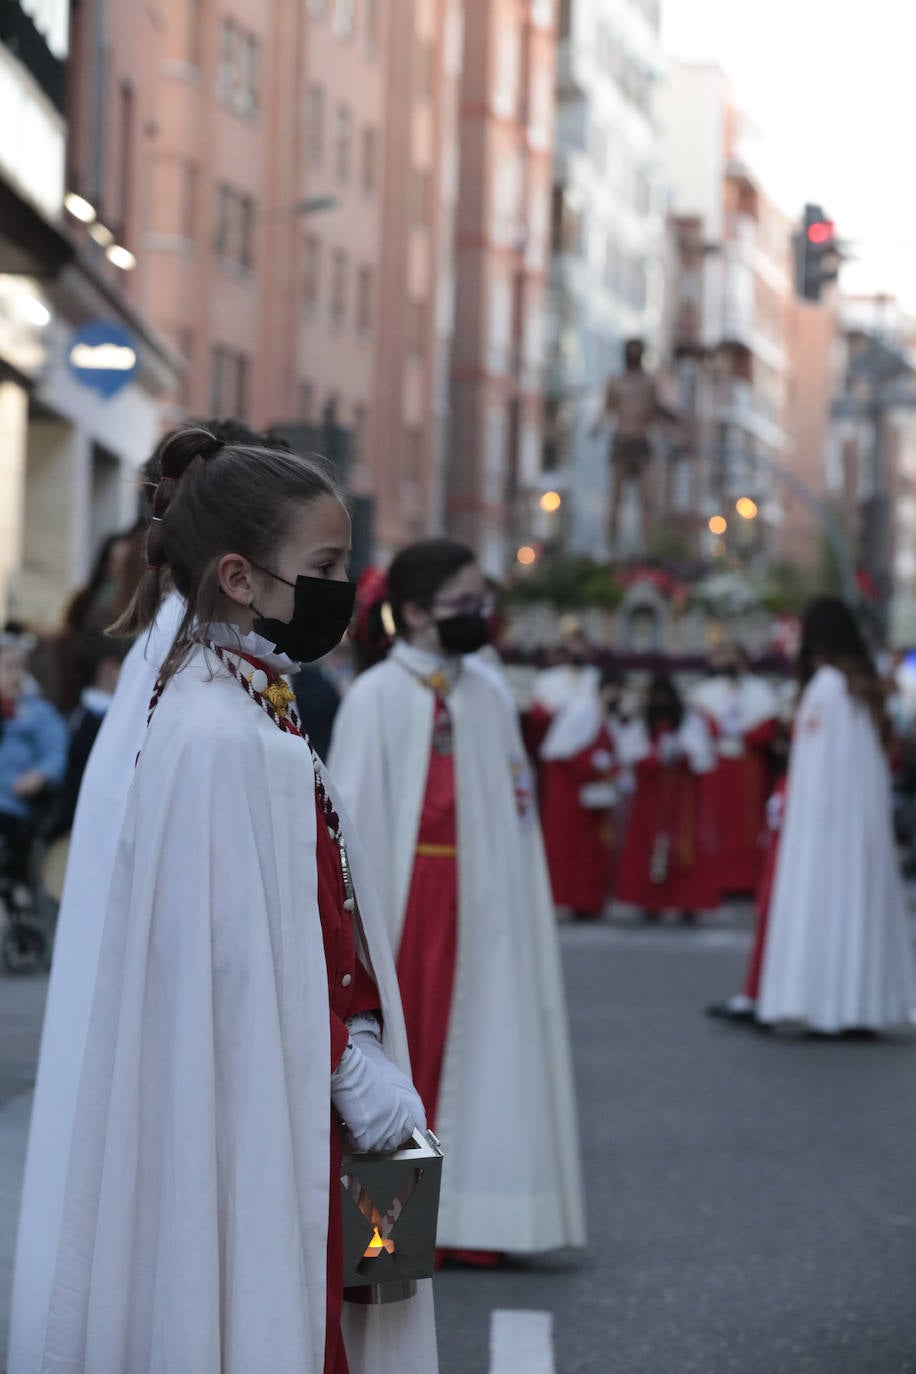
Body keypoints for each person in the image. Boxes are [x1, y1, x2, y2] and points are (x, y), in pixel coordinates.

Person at [9, 425, 438, 1374]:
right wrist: (346, 1063)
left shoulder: (248, 702)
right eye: (324, 565)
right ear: (239, 577)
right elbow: (227, 959)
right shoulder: (214, 730)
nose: (345, 587)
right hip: (280, 1083)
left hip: (305, 1079)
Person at [328, 538, 586, 1261]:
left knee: (482, 1058)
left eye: (483, 602)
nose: (480, 616)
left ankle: (475, 1221)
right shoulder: (376, 697)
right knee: (408, 1065)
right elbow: (350, 824)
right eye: (463, 603)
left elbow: (512, 814)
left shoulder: (490, 693)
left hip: (480, 908)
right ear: (412, 613)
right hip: (404, 909)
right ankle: (391, 1236)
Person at [757, 597, 916, 1034]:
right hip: (858, 829)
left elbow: (814, 768)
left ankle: (823, 1003)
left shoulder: (826, 688)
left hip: (823, 830)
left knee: (824, 907)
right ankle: (859, 1004)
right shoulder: (860, 689)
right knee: (858, 910)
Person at [614, 674, 718, 922]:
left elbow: (702, 757)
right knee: (646, 845)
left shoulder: (690, 722)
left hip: (682, 798)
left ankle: (688, 903)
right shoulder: (641, 723)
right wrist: (653, 757)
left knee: (685, 848)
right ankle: (649, 903)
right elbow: (629, 754)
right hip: (650, 797)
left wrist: (681, 753)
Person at [690, 645, 778, 898]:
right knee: (713, 821)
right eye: (724, 656)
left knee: (746, 825)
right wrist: (718, 728)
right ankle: (713, 879)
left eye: (734, 657)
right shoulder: (705, 693)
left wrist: (741, 733)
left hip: (747, 765)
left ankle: (743, 882)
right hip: (715, 764)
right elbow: (697, 723)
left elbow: (768, 728)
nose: (729, 662)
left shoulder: (760, 692)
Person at [539, 666, 626, 919]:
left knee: (592, 850)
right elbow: (562, 754)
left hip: (593, 793)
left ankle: (588, 901)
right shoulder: (582, 712)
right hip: (572, 793)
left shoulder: (605, 715)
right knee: (572, 849)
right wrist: (593, 763)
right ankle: (570, 898)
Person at [591, 337, 678, 553]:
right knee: (615, 499)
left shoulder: (649, 383)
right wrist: (597, 425)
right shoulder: (617, 382)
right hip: (621, 443)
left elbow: (659, 411)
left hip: (642, 445)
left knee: (647, 499)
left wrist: (675, 426)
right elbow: (607, 409)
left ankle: (648, 548)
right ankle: (611, 547)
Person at [0, 634, 68, 898]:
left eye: (20, 667)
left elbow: (57, 752)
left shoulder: (37, 713)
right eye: (8, 667)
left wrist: (39, 775)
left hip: (11, 807)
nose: (16, 675)